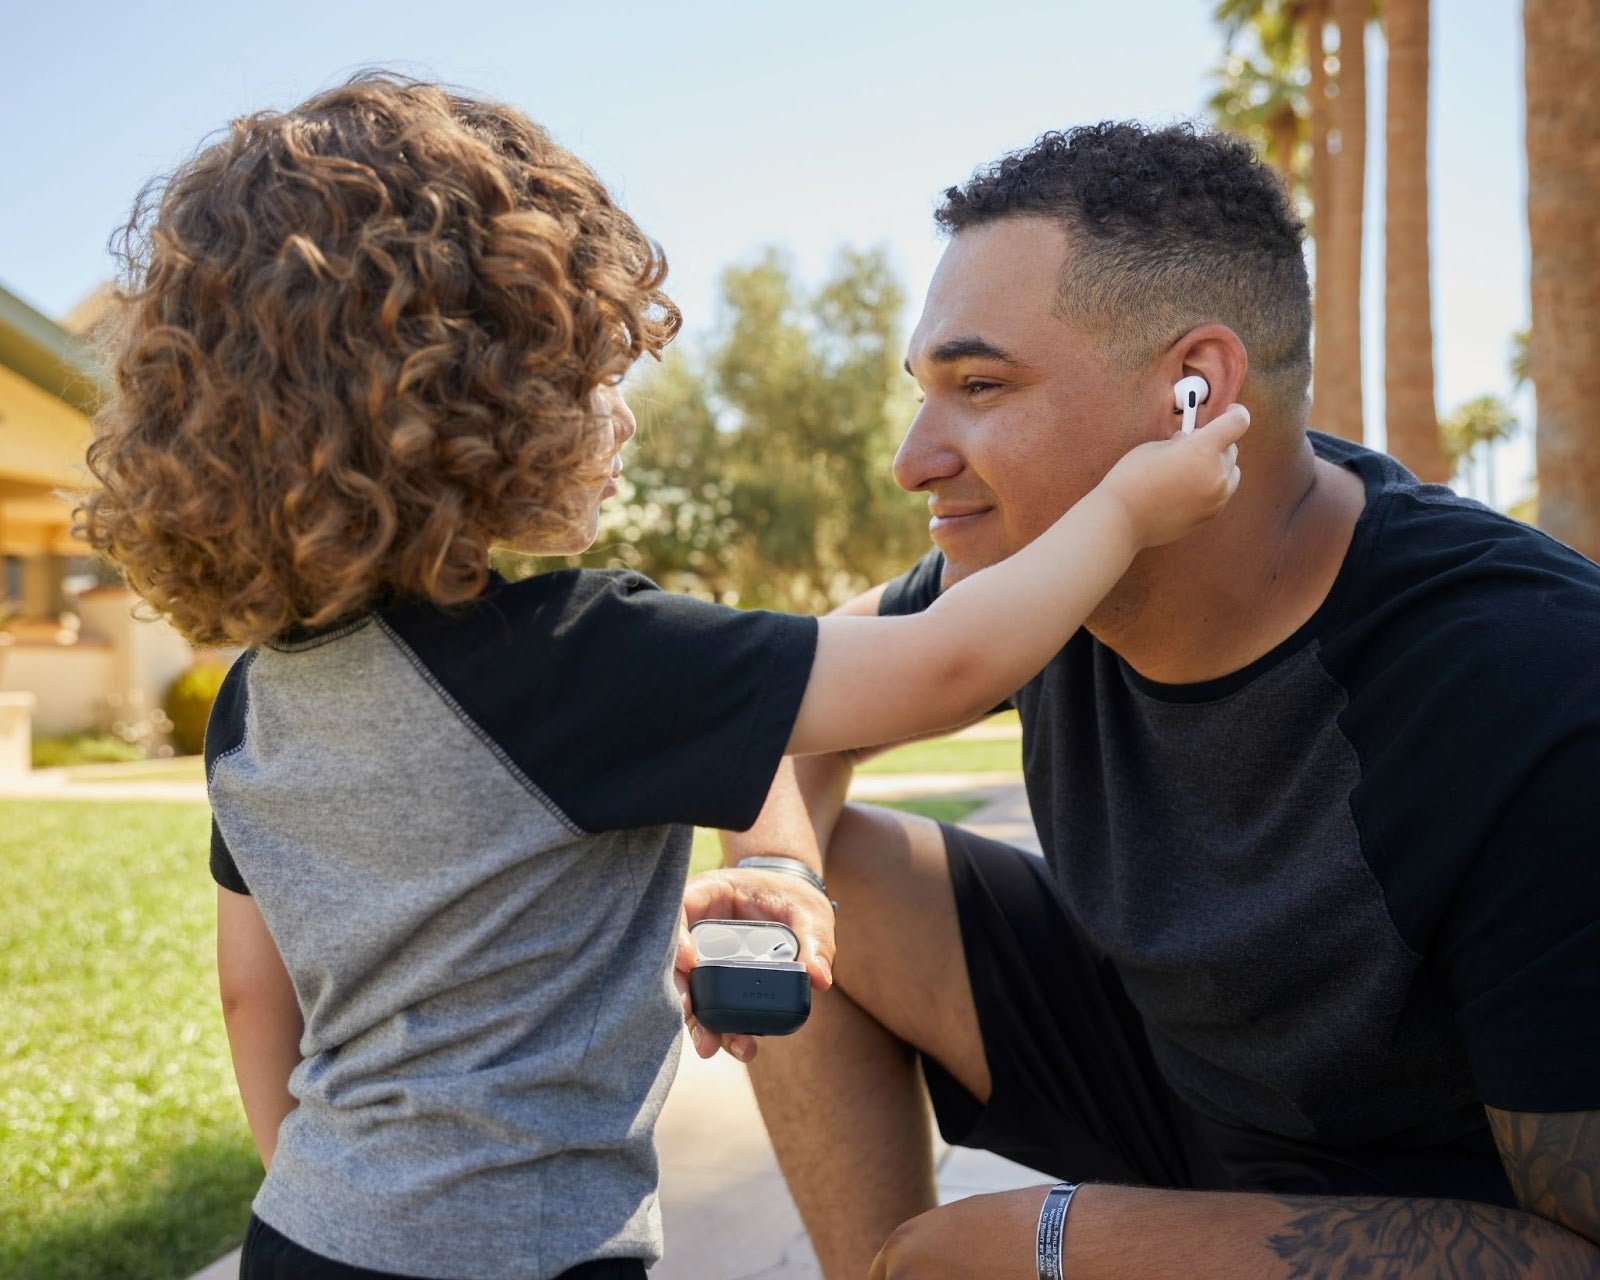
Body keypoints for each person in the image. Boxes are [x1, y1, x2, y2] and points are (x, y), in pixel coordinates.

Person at [77, 80, 1250, 1280]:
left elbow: (246, 993)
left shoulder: (252, 703)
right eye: (594, 369)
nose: (622, 417)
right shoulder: (582, 656)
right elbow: (949, 661)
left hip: (312, 1228)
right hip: (531, 1254)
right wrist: (1127, 504)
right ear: (487, 398)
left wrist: (323, 1204)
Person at [680, 122, 1600, 1279]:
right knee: (833, 876)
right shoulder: (1035, 576)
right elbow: (782, 701)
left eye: (978, 385)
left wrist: (1060, 1236)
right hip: (1176, 1087)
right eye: (924, 392)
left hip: (1419, 1199)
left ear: (1191, 393)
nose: (914, 457)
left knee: (974, 1248)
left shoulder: (1531, 681)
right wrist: (779, 871)